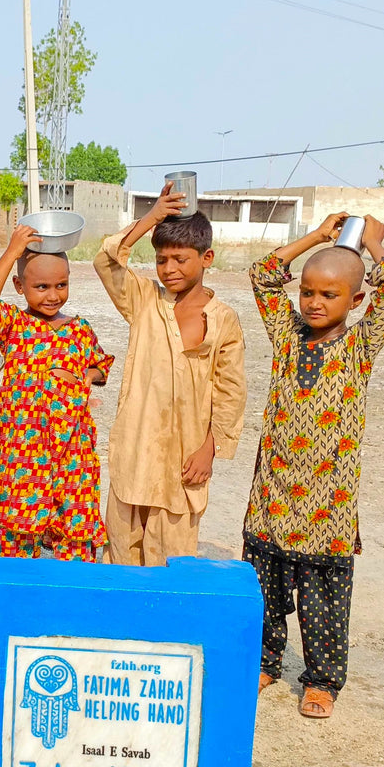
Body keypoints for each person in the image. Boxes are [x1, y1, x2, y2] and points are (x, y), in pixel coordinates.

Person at [243, 213, 384, 719]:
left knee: (323, 602)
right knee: (264, 587)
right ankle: (265, 660)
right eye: (308, 293)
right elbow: (264, 273)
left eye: (329, 295)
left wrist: (374, 245)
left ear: (355, 301)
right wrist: (317, 237)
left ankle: (321, 681)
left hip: (327, 508)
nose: (314, 302)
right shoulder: (287, 335)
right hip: (273, 495)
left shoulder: (361, 346)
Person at [94, 183, 246, 566]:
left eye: (180, 259)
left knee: (171, 559)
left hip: (184, 462)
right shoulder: (144, 301)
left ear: (206, 257)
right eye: (162, 260)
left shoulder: (223, 319)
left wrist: (209, 450)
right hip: (135, 452)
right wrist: (153, 217)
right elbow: (107, 260)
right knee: (121, 551)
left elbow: (231, 394)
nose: (169, 269)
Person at [0, 224, 113, 561]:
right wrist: (12, 252)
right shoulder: (14, 325)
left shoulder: (79, 330)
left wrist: (86, 375)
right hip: (25, 452)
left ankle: (69, 604)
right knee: (21, 539)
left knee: (75, 538)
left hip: (73, 455)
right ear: (19, 286)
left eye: (61, 285)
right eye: (41, 287)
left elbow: (101, 365)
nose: (53, 295)